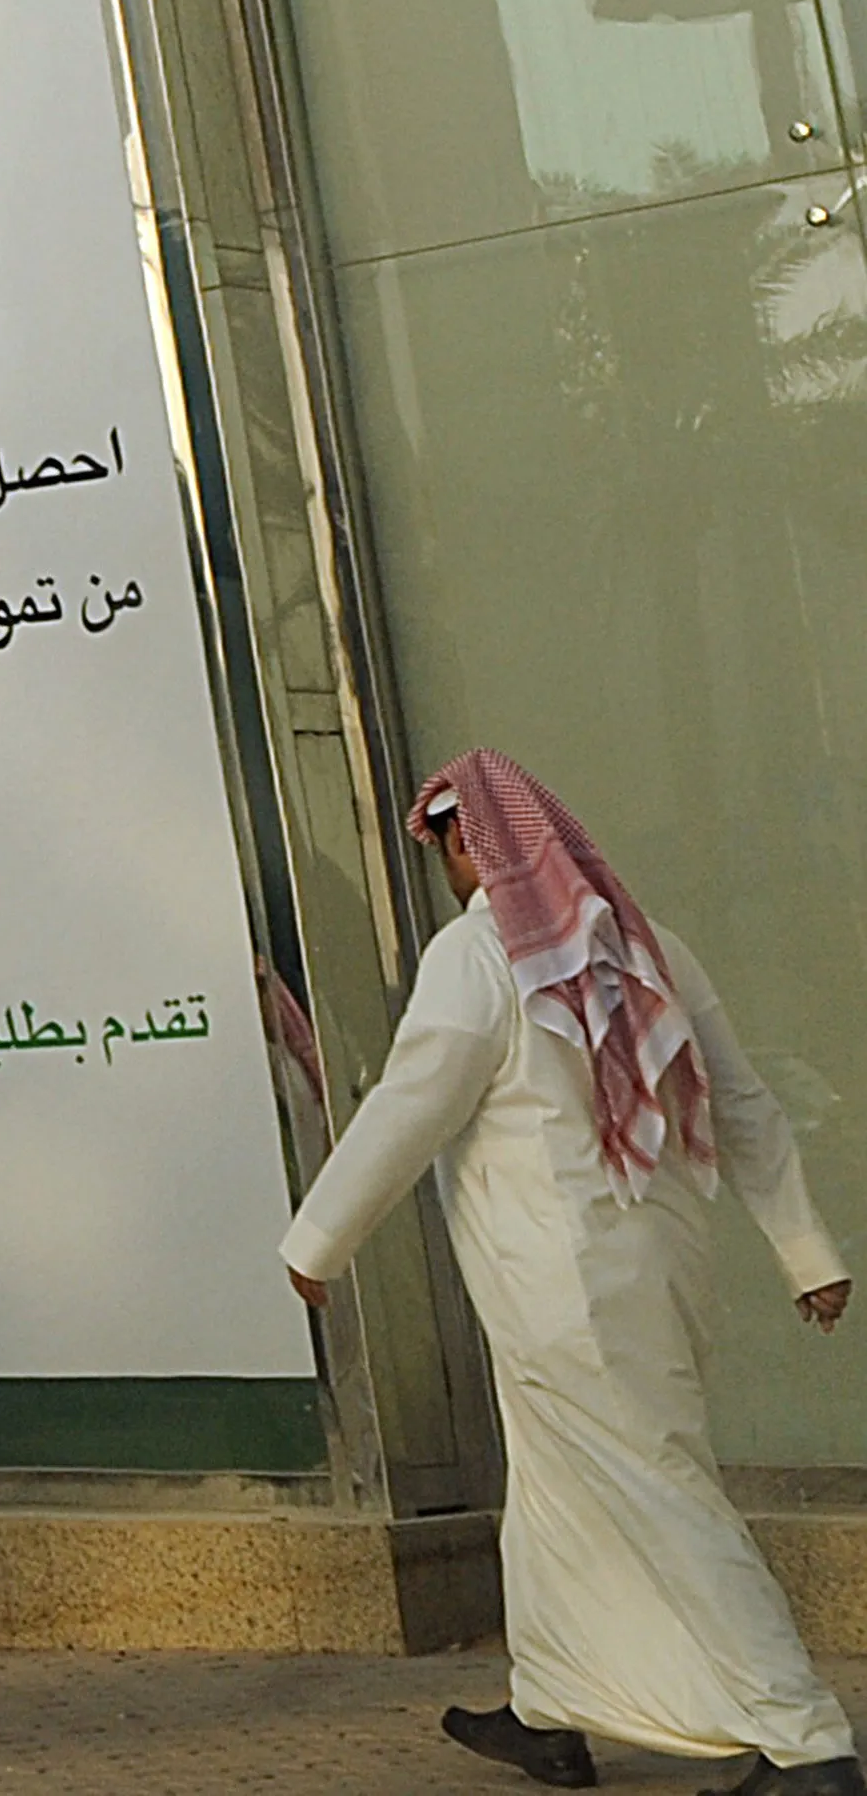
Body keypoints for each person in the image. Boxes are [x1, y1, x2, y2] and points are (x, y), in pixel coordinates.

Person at [281, 750, 858, 1796]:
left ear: (472, 843)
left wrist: (318, 1241)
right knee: (553, 1489)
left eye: (450, 846)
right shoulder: (653, 945)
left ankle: (804, 1737)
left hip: (563, 1283)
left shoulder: (480, 954)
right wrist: (803, 1248)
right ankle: (551, 1707)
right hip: (659, 1271)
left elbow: (413, 1103)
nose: (451, 869)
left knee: (657, 1486)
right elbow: (745, 1106)